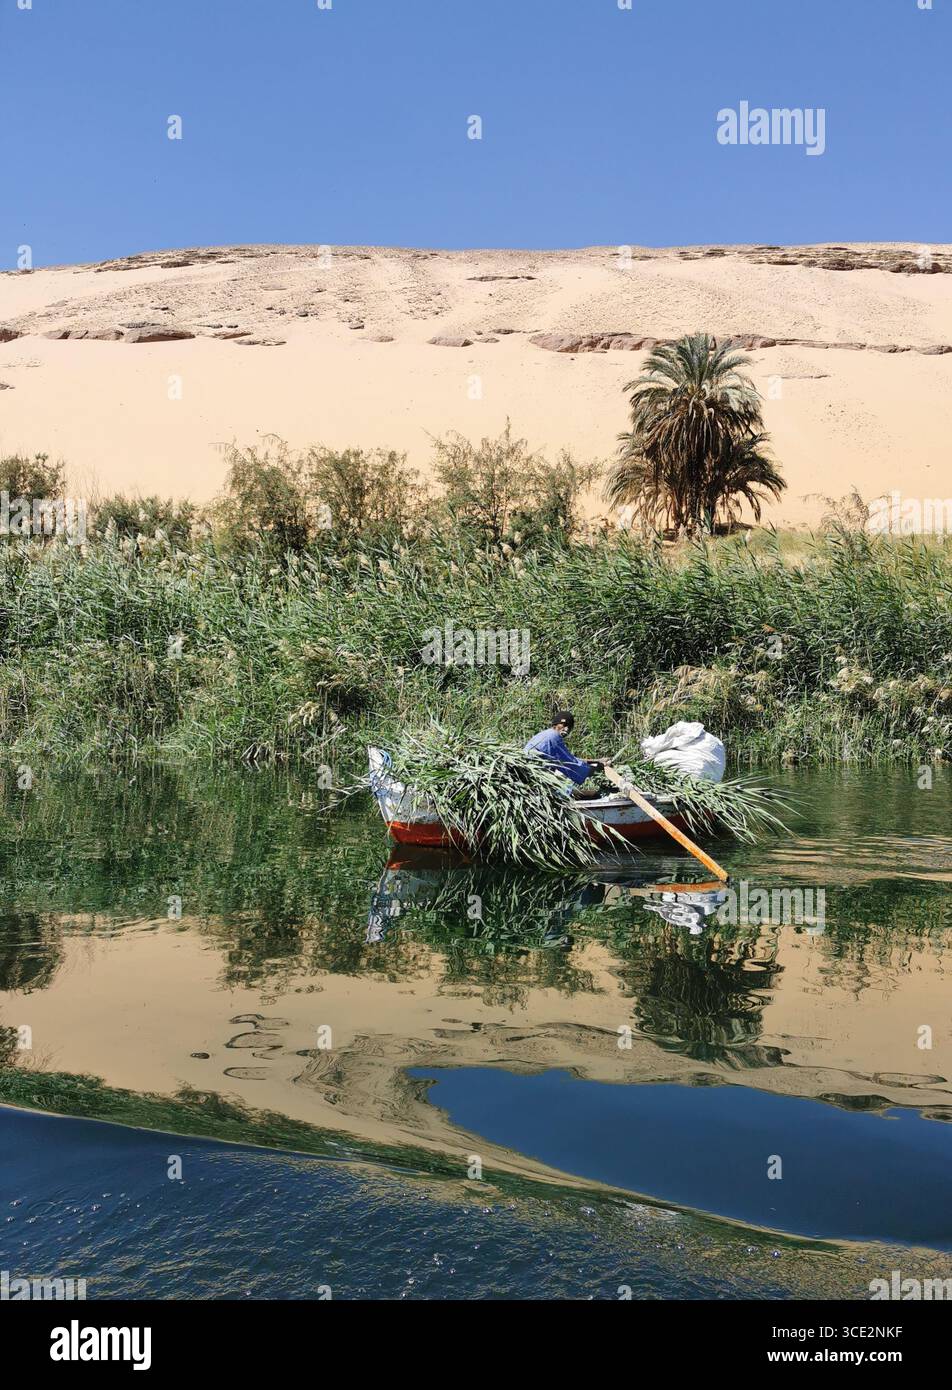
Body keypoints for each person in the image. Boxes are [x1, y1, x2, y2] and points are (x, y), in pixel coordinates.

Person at [524, 711, 603, 789]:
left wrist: (597, 761)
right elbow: (570, 764)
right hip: (531, 777)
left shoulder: (545, 734)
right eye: (564, 725)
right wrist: (595, 769)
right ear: (555, 724)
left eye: (569, 726)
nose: (566, 729)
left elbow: (568, 758)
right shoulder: (553, 737)